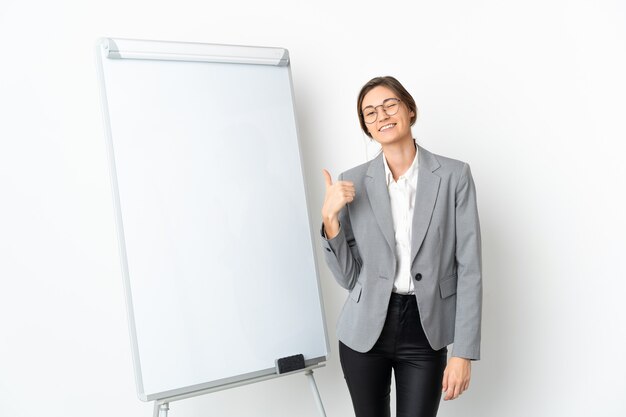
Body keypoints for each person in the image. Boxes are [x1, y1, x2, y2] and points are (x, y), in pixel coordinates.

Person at [320, 76, 482, 417]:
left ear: (409, 109)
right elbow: (350, 278)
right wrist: (330, 220)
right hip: (364, 332)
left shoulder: (454, 176)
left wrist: (462, 353)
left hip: (426, 330)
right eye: (370, 113)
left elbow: (470, 268)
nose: (381, 115)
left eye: (389, 105)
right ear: (366, 126)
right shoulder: (353, 181)